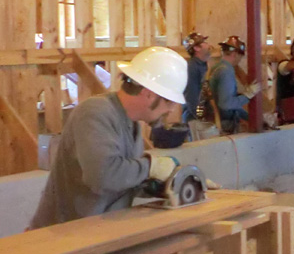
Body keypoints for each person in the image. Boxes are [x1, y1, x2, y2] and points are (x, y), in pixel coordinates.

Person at [29, 47, 188, 228]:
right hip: (60, 237)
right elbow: (104, 177)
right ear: (148, 93)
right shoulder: (96, 113)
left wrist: (173, 181)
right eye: (169, 101)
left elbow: (124, 182)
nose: (172, 109)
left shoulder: (132, 124)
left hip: (95, 233)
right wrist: (150, 166)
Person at [208, 36, 260, 133]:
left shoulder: (216, 67)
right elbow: (226, 104)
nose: (240, 59)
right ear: (235, 54)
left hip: (216, 121)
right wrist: (247, 95)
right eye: (240, 56)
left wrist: (250, 117)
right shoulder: (226, 71)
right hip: (224, 125)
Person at [181, 32, 211, 124]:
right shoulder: (192, 67)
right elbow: (191, 96)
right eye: (204, 42)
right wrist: (198, 116)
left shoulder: (203, 64)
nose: (208, 44)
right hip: (193, 118)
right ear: (196, 48)